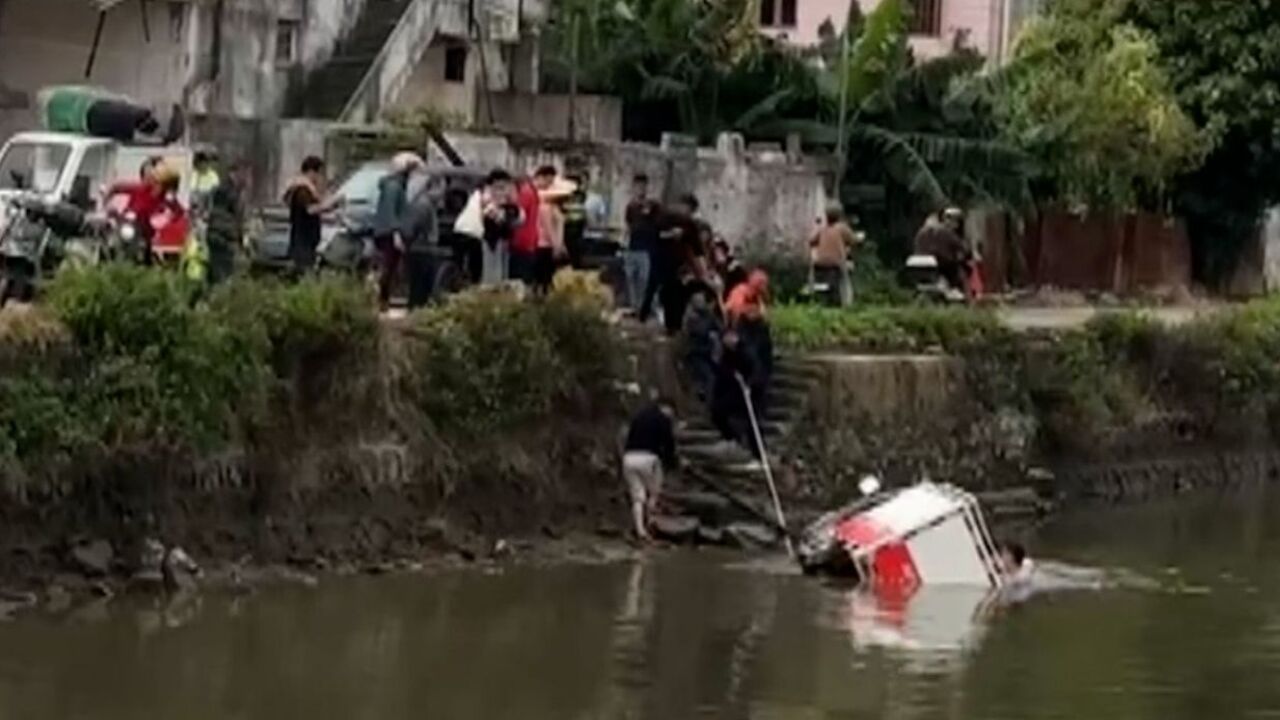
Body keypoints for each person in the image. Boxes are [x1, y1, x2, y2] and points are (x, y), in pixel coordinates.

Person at [105, 157, 186, 264]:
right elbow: (117, 187)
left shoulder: (167, 199)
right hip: (128, 225)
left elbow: (178, 213)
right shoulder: (141, 189)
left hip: (146, 234)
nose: (156, 185)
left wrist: (166, 220)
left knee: (147, 254)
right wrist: (106, 201)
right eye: (155, 181)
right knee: (112, 242)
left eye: (159, 183)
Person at [622, 398, 678, 541]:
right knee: (654, 492)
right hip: (649, 459)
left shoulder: (639, 416)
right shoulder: (663, 419)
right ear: (667, 408)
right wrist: (672, 463)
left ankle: (640, 530)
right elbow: (668, 445)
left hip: (629, 458)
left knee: (638, 496)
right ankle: (651, 523)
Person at [373, 152, 424, 310]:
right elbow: (391, 211)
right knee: (388, 267)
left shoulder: (396, 185)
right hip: (390, 234)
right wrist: (396, 234)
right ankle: (382, 300)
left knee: (391, 267)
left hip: (390, 232)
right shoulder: (394, 187)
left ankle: (384, 300)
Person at [653, 194, 707, 336]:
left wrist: (702, 271)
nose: (687, 213)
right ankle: (668, 326)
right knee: (666, 296)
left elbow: (698, 250)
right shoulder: (665, 218)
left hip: (682, 268)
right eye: (687, 209)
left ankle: (676, 328)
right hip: (664, 264)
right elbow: (656, 236)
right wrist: (671, 234)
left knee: (680, 298)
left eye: (690, 211)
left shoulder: (690, 225)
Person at [283, 156, 342, 276]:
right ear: (311, 172)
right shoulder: (302, 190)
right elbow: (310, 209)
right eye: (319, 174)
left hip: (307, 243)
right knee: (305, 274)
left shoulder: (308, 190)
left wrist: (329, 206)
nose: (320, 178)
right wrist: (330, 204)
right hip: (302, 243)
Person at [403, 167, 441, 309]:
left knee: (420, 287)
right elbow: (413, 228)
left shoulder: (425, 203)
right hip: (421, 249)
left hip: (422, 248)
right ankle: (415, 312)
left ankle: (416, 311)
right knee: (419, 287)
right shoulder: (423, 205)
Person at [205, 160, 248, 285]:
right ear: (233, 173)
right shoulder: (232, 193)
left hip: (215, 234)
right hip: (224, 237)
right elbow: (237, 218)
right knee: (223, 274)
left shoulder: (220, 189)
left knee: (215, 272)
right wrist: (241, 240)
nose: (244, 177)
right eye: (242, 173)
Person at [509, 166, 554, 283]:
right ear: (540, 177)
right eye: (548, 182)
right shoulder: (527, 193)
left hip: (529, 243)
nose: (548, 186)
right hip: (522, 243)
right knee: (521, 279)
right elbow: (518, 216)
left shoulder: (534, 194)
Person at [626, 174, 662, 315]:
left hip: (647, 249)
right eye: (637, 186)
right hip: (632, 247)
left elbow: (658, 223)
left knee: (645, 280)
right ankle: (635, 307)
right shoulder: (631, 206)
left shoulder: (653, 206)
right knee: (631, 279)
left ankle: (647, 308)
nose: (640, 189)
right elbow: (629, 225)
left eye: (643, 186)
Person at [811, 204, 860, 307]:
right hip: (836, 263)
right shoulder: (842, 228)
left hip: (820, 263)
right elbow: (853, 240)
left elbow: (811, 241)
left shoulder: (822, 228)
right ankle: (844, 304)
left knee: (822, 286)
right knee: (843, 282)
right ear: (839, 215)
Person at [914, 207, 969, 293]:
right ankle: (964, 296)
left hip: (919, 266)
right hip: (941, 266)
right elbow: (964, 249)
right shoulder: (946, 232)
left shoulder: (920, 232)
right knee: (961, 269)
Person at [535, 175, 574, 294]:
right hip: (546, 246)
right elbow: (549, 228)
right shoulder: (546, 207)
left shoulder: (554, 207)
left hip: (551, 245)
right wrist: (557, 246)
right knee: (546, 278)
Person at [682, 288, 721, 402]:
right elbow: (697, 331)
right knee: (708, 378)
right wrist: (709, 333)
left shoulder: (709, 315)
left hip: (710, 353)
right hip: (696, 353)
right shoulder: (691, 317)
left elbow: (719, 327)